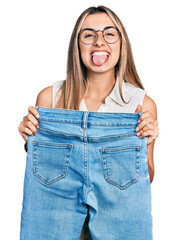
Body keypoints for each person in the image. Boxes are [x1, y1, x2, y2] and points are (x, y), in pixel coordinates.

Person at [18, 5, 159, 240]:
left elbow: (145, 179)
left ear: (121, 43)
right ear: (77, 45)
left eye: (109, 33)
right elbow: (45, 168)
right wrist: (30, 140)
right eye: (89, 35)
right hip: (55, 210)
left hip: (118, 211)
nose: (99, 42)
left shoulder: (140, 103)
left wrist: (145, 144)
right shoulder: (50, 98)